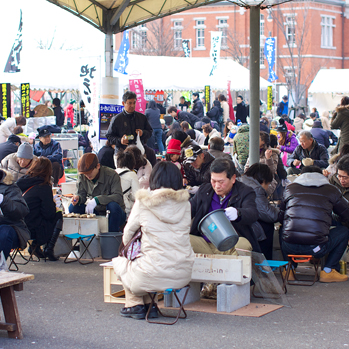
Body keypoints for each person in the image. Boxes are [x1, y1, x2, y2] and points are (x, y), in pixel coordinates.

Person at [113, 161, 194, 319]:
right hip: (183, 273)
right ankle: (150, 305)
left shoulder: (144, 202)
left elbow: (128, 234)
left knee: (121, 261)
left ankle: (134, 304)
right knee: (148, 262)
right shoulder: (186, 204)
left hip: (151, 273)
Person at [279, 166, 349, 283]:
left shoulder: (289, 189)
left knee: (284, 228)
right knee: (344, 231)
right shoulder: (331, 190)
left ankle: (289, 269)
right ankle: (328, 271)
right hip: (317, 249)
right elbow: (347, 214)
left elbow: (280, 216)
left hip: (289, 247)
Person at [190, 158, 259, 253]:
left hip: (231, 245)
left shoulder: (245, 192)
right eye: (213, 181)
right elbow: (188, 210)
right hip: (205, 244)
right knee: (180, 239)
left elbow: (253, 213)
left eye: (221, 182)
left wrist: (238, 213)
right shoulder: (204, 190)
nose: (217, 186)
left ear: (233, 179)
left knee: (243, 244)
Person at [17, 157, 63, 261]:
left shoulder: (22, 182)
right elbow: (49, 214)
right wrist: (54, 204)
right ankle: (48, 249)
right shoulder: (43, 186)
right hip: (31, 229)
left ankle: (36, 247)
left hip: (18, 225)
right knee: (58, 215)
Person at [69, 153, 126, 232]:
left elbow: (118, 197)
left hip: (114, 213)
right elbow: (81, 194)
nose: (87, 176)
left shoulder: (112, 175)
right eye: (85, 174)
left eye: (90, 172)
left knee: (113, 206)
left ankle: (112, 237)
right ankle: (82, 235)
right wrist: (78, 198)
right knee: (73, 207)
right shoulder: (82, 176)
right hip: (95, 211)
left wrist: (97, 200)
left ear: (98, 166)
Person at [240, 164, 279, 259]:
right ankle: (264, 266)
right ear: (264, 181)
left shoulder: (240, 180)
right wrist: (278, 210)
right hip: (246, 227)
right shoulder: (256, 189)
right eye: (268, 184)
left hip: (237, 222)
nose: (267, 188)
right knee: (268, 226)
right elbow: (270, 215)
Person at [0, 169, 30, 261]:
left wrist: (2, 200)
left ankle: (1, 265)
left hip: (11, 227)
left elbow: (22, 211)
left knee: (5, 232)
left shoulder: (9, 187)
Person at [245, 132, 279, 196]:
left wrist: (268, 159)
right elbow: (246, 169)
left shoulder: (273, 153)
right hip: (253, 181)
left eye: (258, 139)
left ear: (263, 142)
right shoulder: (253, 152)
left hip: (266, 182)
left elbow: (272, 171)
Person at [114, 150, 140, 218]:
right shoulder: (132, 175)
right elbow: (136, 196)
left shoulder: (113, 173)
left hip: (113, 208)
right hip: (126, 209)